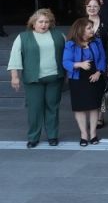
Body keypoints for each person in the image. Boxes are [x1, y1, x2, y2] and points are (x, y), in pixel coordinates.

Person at [7, 9, 65, 147]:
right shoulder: (23, 37)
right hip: (33, 79)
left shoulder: (59, 35)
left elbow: (66, 55)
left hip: (54, 77)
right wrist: (15, 77)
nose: (44, 24)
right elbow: (15, 57)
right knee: (35, 109)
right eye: (40, 22)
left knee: (53, 107)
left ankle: (52, 136)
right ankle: (33, 137)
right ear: (33, 23)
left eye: (47, 22)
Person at [63, 18, 107, 146]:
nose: (92, 30)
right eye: (89, 28)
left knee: (94, 107)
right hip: (77, 78)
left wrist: (99, 72)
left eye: (91, 28)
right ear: (80, 30)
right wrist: (79, 64)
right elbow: (66, 62)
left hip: (95, 76)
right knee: (80, 108)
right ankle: (84, 134)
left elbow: (102, 58)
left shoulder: (97, 41)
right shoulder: (70, 44)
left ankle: (93, 134)